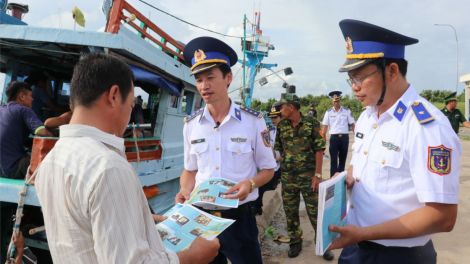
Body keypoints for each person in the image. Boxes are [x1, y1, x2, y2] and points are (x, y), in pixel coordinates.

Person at [35, 53, 219, 264]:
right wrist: (193, 257)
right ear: (114, 95)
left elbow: (79, 226)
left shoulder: (52, 158)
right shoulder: (109, 167)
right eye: (132, 105)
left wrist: (135, 220)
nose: (130, 114)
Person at [327, 19, 461, 264]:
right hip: (356, 246)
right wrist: (347, 178)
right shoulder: (368, 117)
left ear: (391, 71)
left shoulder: (427, 127)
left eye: (360, 78)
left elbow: (442, 216)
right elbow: (361, 167)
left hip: (398, 256)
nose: (354, 88)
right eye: (351, 80)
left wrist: (364, 233)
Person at [176, 36, 276, 264]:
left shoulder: (253, 122)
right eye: (199, 80)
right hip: (201, 220)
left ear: (228, 77)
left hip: (239, 219)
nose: (203, 86)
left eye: (210, 78)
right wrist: (184, 189)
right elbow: (190, 170)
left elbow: (269, 169)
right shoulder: (191, 125)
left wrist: (250, 184)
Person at [274, 94, 334, 260]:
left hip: (309, 177)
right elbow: (279, 149)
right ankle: (295, 242)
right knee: (290, 211)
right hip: (288, 178)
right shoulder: (282, 125)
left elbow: (319, 150)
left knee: (315, 212)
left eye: (282, 107)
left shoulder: (312, 123)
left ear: (291, 107)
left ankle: (323, 244)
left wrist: (317, 175)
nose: (280, 110)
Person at [0, 81, 53, 179]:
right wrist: (53, 136)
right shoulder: (24, 110)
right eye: (30, 95)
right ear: (22, 96)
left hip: (1, 170)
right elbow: (42, 133)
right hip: (13, 168)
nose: (32, 99)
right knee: (52, 165)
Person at [253, 103, 283, 215]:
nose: (273, 120)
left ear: (282, 117)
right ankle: (256, 207)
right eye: (271, 117)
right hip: (272, 165)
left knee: (261, 184)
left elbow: (285, 153)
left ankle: (257, 207)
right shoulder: (270, 132)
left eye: (276, 117)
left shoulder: (286, 133)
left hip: (280, 166)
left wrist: (275, 161)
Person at [321, 91, 355, 177]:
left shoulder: (347, 111)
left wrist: (357, 137)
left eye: (337, 100)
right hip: (334, 138)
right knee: (333, 160)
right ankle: (333, 178)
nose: (336, 103)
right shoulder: (328, 112)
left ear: (340, 100)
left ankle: (340, 178)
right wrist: (323, 137)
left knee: (343, 160)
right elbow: (325, 126)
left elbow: (352, 124)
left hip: (344, 138)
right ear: (332, 101)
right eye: (334, 101)